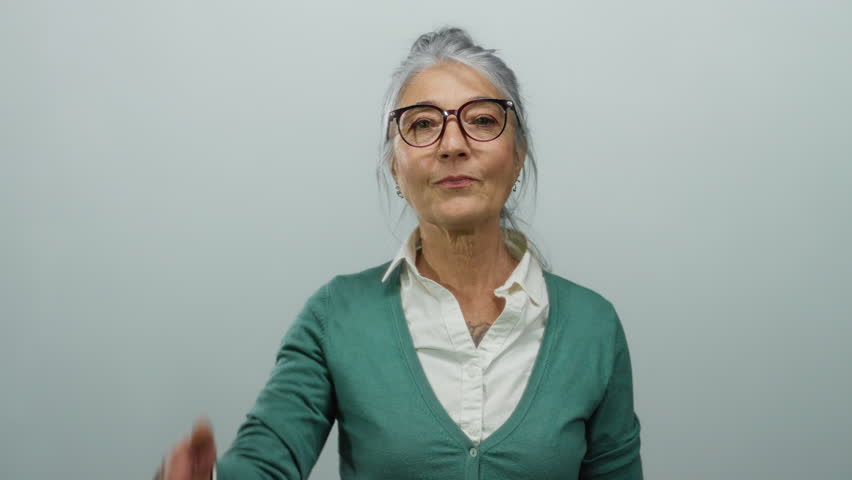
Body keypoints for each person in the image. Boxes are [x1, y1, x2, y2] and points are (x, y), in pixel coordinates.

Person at [155, 27, 643, 480]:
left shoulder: (593, 327)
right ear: (394, 167)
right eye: (423, 124)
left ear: (518, 156)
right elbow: (267, 456)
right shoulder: (336, 316)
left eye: (482, 120)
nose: (452, 145)